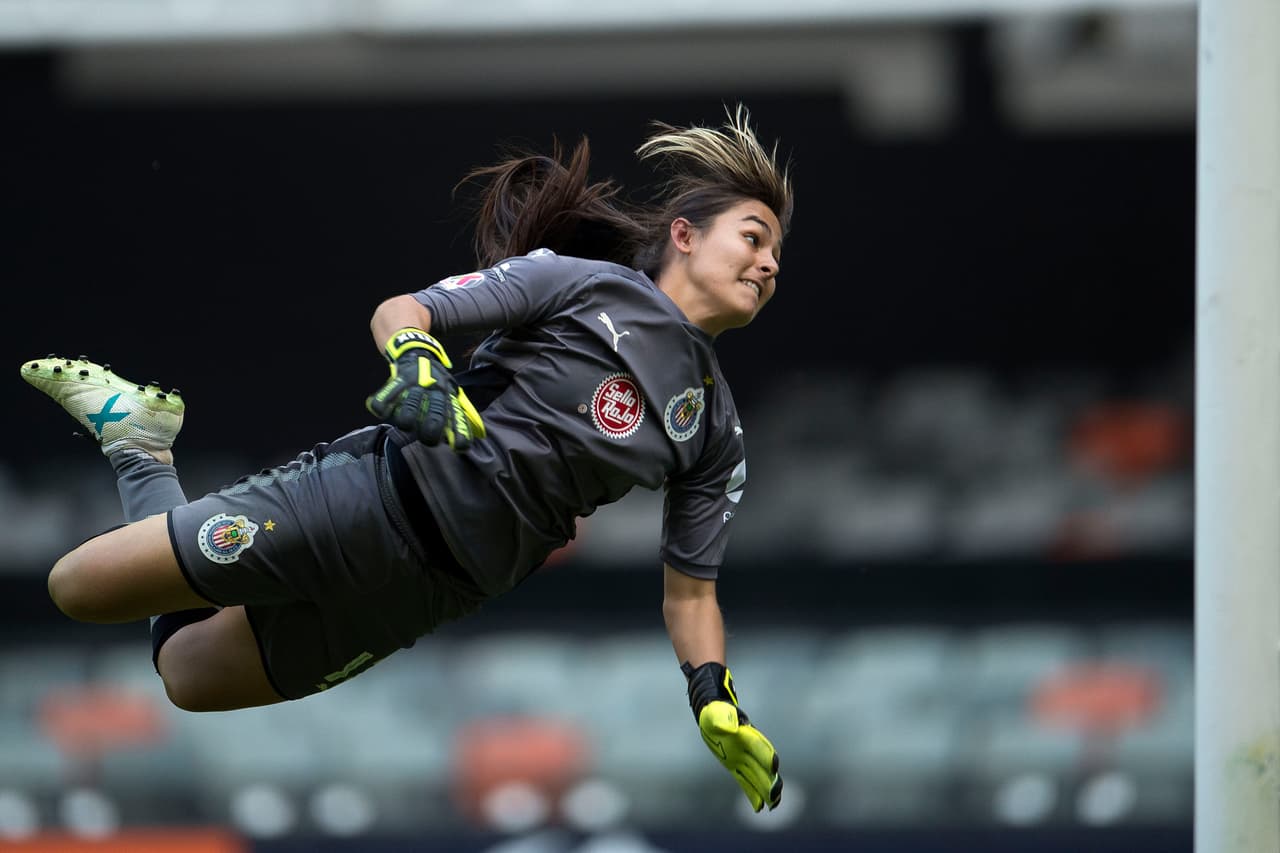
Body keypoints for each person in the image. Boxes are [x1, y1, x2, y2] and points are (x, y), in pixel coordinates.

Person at [20, 105, 790, 813]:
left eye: (777, 256)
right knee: (77, 588)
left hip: (430, 593)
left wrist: (711, 694)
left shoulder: (714, 430)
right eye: (753, 237)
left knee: (186, 675)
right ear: (685, 234)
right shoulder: (582, 283)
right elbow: (405, 310)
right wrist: (419, 361)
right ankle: (140, 453)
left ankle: (140, 438)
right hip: (365, 501)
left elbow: (690, 595)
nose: (767, 264)